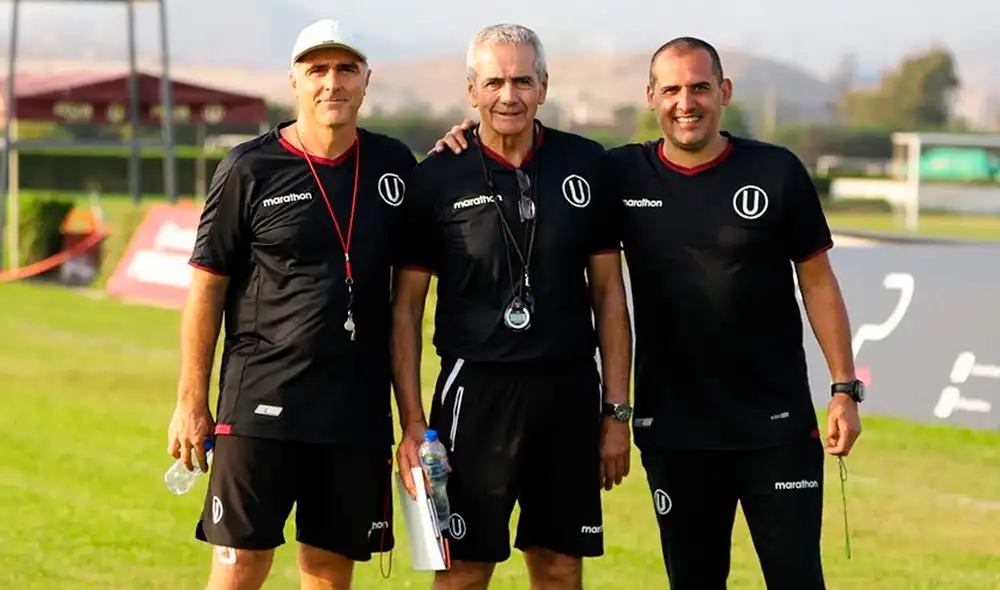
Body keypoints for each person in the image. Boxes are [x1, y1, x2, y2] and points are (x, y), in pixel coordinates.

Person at [431, 36, 863, 590]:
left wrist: (844, 387)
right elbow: (525, 150)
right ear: (651, 97)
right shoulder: (617, 173)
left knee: (797, 577)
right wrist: (466, 135)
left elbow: (818, 283)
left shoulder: (776, 171)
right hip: (676, 428)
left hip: (774, 424)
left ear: (724, 92)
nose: (687, 103)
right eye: (673, 90)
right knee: (693, 579)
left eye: (701, 88)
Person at [166, 18, 417, 590]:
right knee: (238, 570)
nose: (333, 83)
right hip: (261, 404)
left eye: (346, 69)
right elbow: (206, 287)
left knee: (328, 575)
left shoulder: (394, 165)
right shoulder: (249, 167)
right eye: (317, 70)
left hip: (353, 412)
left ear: (366, 80)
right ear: (294, 81)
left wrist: (463, 139)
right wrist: (190, 400)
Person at [390, 23, 633, 590]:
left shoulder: (587, 164)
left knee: (559, 565)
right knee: (463, 570)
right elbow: (403, 312)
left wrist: (615, 412)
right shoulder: (436, 176)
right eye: (494, 82)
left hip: (569, 392)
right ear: (471, 91)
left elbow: (609, 296)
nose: (509, 95)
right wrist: (412, 424)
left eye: (523, 80)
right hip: (475, 392)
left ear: (545, 86)